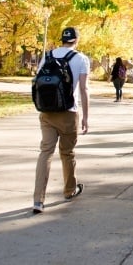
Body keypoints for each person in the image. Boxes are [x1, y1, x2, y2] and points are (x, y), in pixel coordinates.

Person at [32, 27, 91, 214]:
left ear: (62, 39)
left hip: (47, 112)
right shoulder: (81, 59)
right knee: (67, 153)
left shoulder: (48, 55)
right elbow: (83, 89)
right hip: (68, 112)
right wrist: (86, 117)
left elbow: (37, 80)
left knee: (45, 153)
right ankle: (69, 190)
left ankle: (38, 200)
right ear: (76, 40)